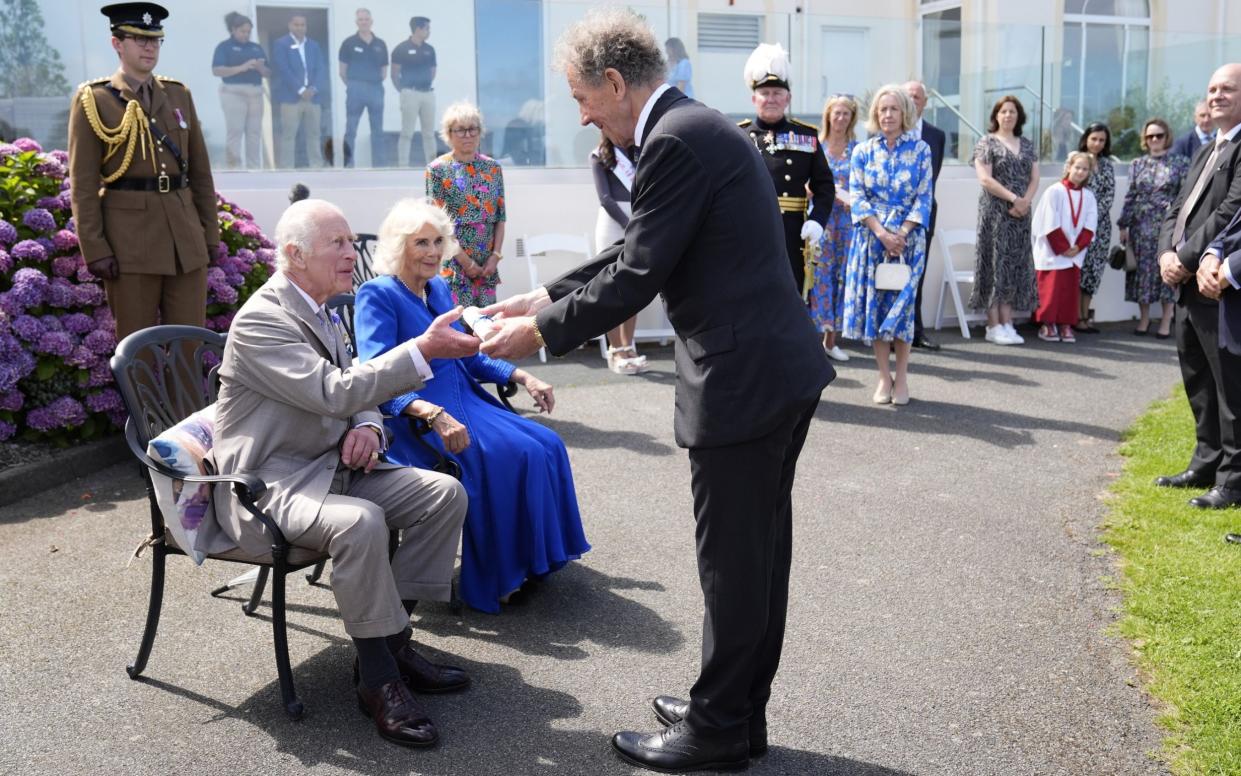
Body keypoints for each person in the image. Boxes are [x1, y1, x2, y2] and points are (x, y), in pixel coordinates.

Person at [477, 9, 834, 772]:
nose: (579, 115)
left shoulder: (673, 139)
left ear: (614, 81)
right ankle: (734, 710)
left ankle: (716, 730)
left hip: (744, 379)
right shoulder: (692, 129)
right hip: (771, 367)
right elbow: (638, 247)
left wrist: (536, 335)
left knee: (734, 564)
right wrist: (537, 297)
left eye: (581, 98)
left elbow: (640, 274)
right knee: (756, 558)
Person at [211, 198, 477, 747]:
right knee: (361, 523)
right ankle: (378, 680)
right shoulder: (263, 319)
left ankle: (393, 643)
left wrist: (370, 428)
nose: (349, 251)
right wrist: (421, 350)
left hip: (330, 465)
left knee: (443, 494)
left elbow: (353, 384)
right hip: (269, 484)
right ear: (293, 255)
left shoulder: (324, 307)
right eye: (335, 243)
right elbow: (332, 390)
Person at [354, 198, 590, 613]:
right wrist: (428, 411)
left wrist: (522, 376)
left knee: (545, 444)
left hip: (467, 403)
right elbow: (376, 378)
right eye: (420, 243)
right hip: (417, 416)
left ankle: (532, 561)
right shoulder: (377, 295)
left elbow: (470, 353)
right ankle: (497, 576)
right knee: (504, 455)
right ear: (399, 247)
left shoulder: (439, 287)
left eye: (437, 241)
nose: (432, 252)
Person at [68, 2, 219, 341]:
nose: (149, 47)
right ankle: (142, 399)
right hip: (129, 243)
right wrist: (95, 249)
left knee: (189, 342)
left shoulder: (178, 94)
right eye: (138, 39)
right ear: (117, 44)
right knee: (137, 346)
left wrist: (210, 234)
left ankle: (187, 398)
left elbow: (201, 173)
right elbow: (83, 185)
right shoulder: (94, 99)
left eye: (155, 40)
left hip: (185, 239)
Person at [1155, 62, 1241, 510]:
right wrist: (1167, 254)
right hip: (1187, 282)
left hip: (1217, 287)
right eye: (1211, 89)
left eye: (1227, 88)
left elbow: (1230, 212)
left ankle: (1232, 480)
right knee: (1198, 378)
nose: (1216, 96)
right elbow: (1178, 207)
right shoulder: (1207, 149)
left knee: (1230, 388)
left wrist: (1187, 259)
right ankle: (1206, 461)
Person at [840, 86, 933, 406]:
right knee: (877, 311)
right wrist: (881, 233)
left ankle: (903, 378)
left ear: (904, 112)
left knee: (902, 313)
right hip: (872, 240)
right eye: (882, 110)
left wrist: (902, 233)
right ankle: (883, 377)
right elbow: (858, 196)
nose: (888, 115)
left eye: (894, 109)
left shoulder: (921, 150)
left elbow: (924, 196)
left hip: (908, 243)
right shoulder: (863, 151)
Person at [738, 43, 834, 293]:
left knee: (791, 297)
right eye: (765, 93)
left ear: (788, 98)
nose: (771, 99)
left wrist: (817, 220)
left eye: (777, 93)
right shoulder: (738, 135)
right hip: (751, 229)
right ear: (754, 98)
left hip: (792, 233)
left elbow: (824, 187)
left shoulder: (806, 135)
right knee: (752, 296)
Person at [972, 95, 1040, 346]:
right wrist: (1014, 198)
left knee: (1013, 266)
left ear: (1019, 116)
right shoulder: (986, 142)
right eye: (1003, 112)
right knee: (994, 264)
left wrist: (1025, 202)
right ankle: (993, 324)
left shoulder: (1027, 144)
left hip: (1020, 215)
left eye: (1012, 111)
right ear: (996, 116)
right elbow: (985, 179)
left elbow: (1034, 178)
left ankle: (1007, 321)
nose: (1008, 116)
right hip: (996, 214)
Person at [425, 102, 506, 308]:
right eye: (460, 130)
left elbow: (500, 218)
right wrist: (466, 262)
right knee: (456, 327)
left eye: (473, 129)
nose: (468, 135)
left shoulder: (493, 168)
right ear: (448, 134)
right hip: (455, 264)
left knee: (486, 326)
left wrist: (495, 257)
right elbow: (439, 223)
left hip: (487, 267)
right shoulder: (437, 170)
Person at [1116, 118, 1187, 338]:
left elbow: (1185, 196)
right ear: (1144, 139)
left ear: (1167, 137)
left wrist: (1183, 226)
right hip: (1140, 227)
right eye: (1150, 136)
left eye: (1159, 135)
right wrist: (1123, 224)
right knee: (1142, 275)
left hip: (1167, 227)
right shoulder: (1138, 164)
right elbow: (1131, 195)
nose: (1154, 139)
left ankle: (1166, 321)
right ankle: (1144, 319)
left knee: (1166, 273)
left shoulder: (1181, 162)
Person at [590, 134, 647, 373]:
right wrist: (629, 224)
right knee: (610, 286)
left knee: (633, 285)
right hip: (613, 223)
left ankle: (628, 345)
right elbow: (605, 198)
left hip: (637, 219)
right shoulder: (598, 156)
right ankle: (615, 350)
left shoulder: (640, 154)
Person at [810, 94, 857, 362]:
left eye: (845, 114)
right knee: (817, 279)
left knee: (842, 276)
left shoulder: (857, 149)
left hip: (847, 223)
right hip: (822, 220)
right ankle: (814, 340)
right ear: (828, 115)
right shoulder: (817, 145)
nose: (840, 118)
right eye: (836, 113)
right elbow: (807, 182)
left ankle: (831, 341)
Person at [1031, 152, 1097, 344]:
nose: (1080, 172)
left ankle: (1065, 324)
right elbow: (1048, 222)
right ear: (1068, 167)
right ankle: (1047, 324)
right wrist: (1062, 247)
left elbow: (1090, 224)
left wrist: (1078, 246)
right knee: (1051, 290)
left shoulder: (1088, 196)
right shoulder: (1055, 191)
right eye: (1077, 167)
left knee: (1069, 291)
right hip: (1054, 251)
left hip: (1074, 252)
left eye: (1085, 169)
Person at [905, 80, 946, 352]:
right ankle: (890, 332)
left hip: (924, 213)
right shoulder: (888, 131)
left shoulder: (937, 135)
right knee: (893, 274)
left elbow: (933, 176)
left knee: (917, 272)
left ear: (925, 102)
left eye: (917, 97)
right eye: (908, 96)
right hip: (892, 216)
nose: (912, 101)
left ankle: (916, 331)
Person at [211, 11, 268, 170]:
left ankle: (254, 168)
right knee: (235, 132)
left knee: (254, 133)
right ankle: (234, 169)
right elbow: (217, 70)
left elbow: (268, 73)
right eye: (243, 31)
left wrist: (260, 67)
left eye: (248, 32)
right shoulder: (224, 47)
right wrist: (242, 67)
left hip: (255, 93)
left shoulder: (256, 48)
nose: (246, 35)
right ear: (233, 30)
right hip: (233, 92)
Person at [1074, 122, 1115, 333]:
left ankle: (1085, 313)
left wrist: (1094, 216)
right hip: (1077, 224)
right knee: (1077, 270)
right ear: (1086, 139)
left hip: (1101, 227)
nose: (1097, 143)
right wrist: (1085, 217)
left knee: (1093, 272)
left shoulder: (1107, 164)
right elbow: (1072, 187)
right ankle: (1075, 316)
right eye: (1094, 139)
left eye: (1101, 140)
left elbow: (1109, 194)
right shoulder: (1076, 158)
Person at [271, 13, 326, 169]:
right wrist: (300, 89)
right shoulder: (281, 44)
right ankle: (287, 169)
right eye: (297, 24)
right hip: (291, 98)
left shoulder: (313, 45)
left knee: (314, 134)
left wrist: (314, 88)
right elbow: (283, 69)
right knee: (289, 135)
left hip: (313, 97)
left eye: (303, 25)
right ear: (290, 25)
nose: (300, 27)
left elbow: (321, 68)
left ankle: (316, 167)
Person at [339, 8, 388, 168]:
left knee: (377, 130)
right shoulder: (348, 43)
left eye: (366, 19)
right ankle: (348, 164)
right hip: (355, 89)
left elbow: (384, 71)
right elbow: (342, 71)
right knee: (351, 129)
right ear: (356, 22)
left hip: (375, 89)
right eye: (360, 20)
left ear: (371, 21)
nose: (364, 22)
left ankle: (379, 165)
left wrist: (371, 83)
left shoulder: (380, 44)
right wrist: (354, 85)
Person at [391, 16, 436, 167]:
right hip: (410, 93)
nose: (429, 31)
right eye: (427, 28)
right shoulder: (401, 48)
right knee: (406, 133)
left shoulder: (430, 50)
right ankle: (403, 166)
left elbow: (432, 72)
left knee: (429, 134)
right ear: (418, 29)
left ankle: (433, 166)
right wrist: (404, 90)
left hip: (427, 94)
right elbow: (394, 73)